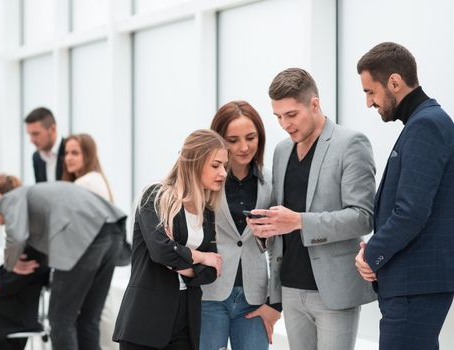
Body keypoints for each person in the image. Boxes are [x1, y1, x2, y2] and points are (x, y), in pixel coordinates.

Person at [247, 68, 377, 350]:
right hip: (290, 287)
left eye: (291, 115)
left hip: (333, 289)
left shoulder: (351, 143)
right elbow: (283, 216)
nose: (284, 124)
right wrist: (267, 225)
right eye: (278, 117)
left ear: (314, 104)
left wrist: (299, 221)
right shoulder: (282, 150)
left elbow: (363, 217)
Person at [355, 42, 454, 350]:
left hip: (415, 283)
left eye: (371, 92)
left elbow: (411, 211)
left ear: (394, 82)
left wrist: (371, 254)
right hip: (412, 283)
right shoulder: (422, 122)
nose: (369, 103)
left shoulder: (426, 125)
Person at [0, 175, 126, 350]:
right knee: (89, 319)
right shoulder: (40, 200)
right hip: (113, 233)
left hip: (83, 238)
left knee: (60, 320)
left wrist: (11, 263)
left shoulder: (10, 198)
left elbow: (16, 236)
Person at [113, 129, 228, 350]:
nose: (223, 173)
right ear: (194, 162)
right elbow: (160, 252)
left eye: (224, 166)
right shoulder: (156, 197)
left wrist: (179, 262)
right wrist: (201, 257)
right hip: (146, 317)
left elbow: (212, 271)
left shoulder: (208, 212)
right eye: (216, 165)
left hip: (186, 318)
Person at [200, 101, 280, 350]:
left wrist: (275, 303)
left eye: (250, 137)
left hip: (255, 298)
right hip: (209, 294)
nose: (244, 147)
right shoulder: (204, 180)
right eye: (232, 140)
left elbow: (279, 247)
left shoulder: (271, 181)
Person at [62, 133, 127, 350]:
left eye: (75, 153)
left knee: (63, 320)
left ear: (87, 155)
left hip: (86, 256)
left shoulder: (85, 182)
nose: (68, 158)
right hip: (105, 254)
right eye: (66, 153)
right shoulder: (99, 180)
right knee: (89, 320)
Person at [24, 107, 65, 183]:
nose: (31, 140)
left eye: (36, 134)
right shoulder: (37, 157)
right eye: (30, 134)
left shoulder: (70, 152)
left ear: (53, 129)